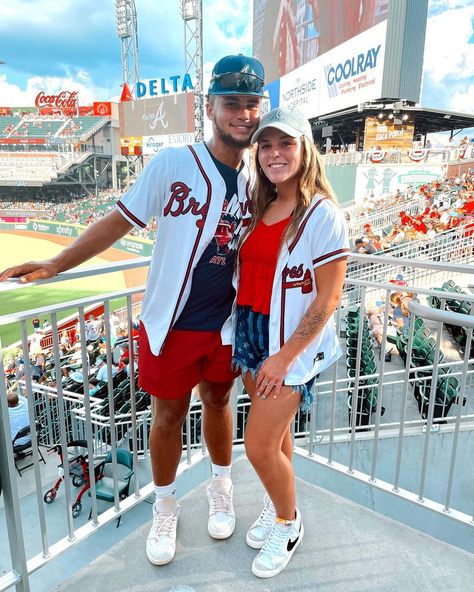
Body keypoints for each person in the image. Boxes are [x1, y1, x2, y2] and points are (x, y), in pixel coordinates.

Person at [0, 54, 265, 567]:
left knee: (218, 403)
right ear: (211, 107)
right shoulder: (172, 163)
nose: (244, 114)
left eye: (252, 103)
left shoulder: (260, 180)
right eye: (232, 102)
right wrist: (59, 262)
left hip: (227, 324)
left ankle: (220, 485)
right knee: (167, 416)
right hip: (170, 323)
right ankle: (164, 504)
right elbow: (119, 220)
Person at [232, 106, 349, 578]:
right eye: (266, 144)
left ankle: (288, 521)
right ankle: (277, 503)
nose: (275, 153)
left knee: (257, 446)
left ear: (304, 149)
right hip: (250, 329)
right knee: (276, 440)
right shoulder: (262, 205)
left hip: (287, 344)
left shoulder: (322, 214)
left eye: (285, 143)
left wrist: (283, 358)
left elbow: (327, 300)